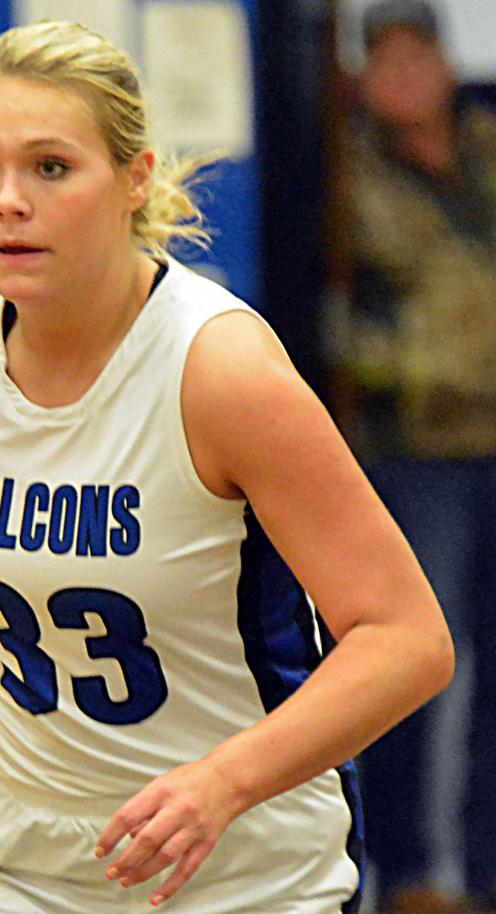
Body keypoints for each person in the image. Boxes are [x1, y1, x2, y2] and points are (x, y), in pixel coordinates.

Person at [0, 19, 453, 914]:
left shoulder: (220, 374)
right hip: (12, 851)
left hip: (238, 856)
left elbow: (407, 640)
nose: (7, 200)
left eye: (49, 167)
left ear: (135, 177)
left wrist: (223, 781)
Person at [328, 1, 496, 911]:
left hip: (495, 447)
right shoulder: (344, 168)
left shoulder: (487, 149)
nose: (402, 75)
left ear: (442, 62)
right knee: (414, 667)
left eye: (416, 56)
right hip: (410, 453)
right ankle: (413, 875)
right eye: (381, 58)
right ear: (358, 74)